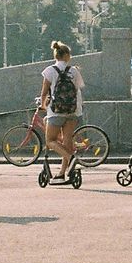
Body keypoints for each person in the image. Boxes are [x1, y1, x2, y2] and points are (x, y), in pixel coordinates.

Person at [38, 40, 85, 184]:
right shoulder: (74, 70)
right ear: (66, 56)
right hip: (72, 110)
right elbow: (78, 89)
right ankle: (62, 174)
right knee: (67, 141)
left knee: (50, 141)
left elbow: (44, 93)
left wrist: (43, 105)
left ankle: (71, 158)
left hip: (56, 111)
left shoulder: (49, 71)